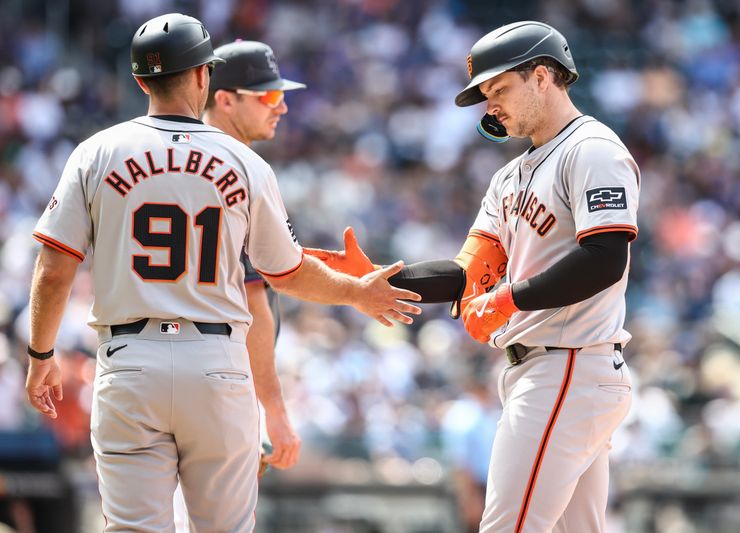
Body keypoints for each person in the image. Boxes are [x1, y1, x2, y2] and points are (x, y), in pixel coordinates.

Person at [23, 13, 420, 532]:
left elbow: (55, 270)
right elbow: (285, 274)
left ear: (141, 80)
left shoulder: (96, 152)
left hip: (129, 361)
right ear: (204, 76)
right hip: (216, 363)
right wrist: (356, 292)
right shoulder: (246, 163)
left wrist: (40, 355)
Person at [309, 20, 639, 532]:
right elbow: (468, 274)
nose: (491, 106)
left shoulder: (591, 149)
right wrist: (379, 279)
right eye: (486, 94)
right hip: (555, 371)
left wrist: (508, 301)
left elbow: (605, 257)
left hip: (568, 365)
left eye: (499, 88)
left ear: (543, 76)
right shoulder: (509, 176)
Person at [204, 39, 308, 474]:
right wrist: (272, 410)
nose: (280, 107)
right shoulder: (238, 171)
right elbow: (254, 301)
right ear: (224, 99)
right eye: (269, 96)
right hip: (217, 379)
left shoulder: (171, 160)